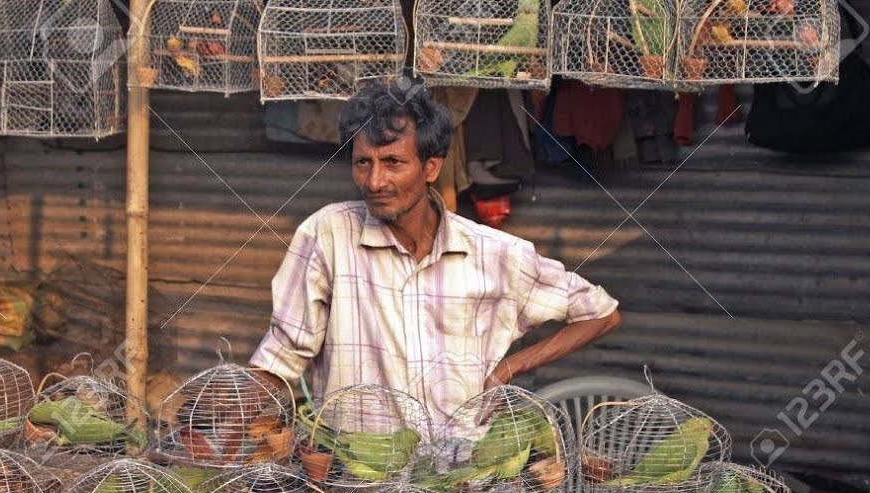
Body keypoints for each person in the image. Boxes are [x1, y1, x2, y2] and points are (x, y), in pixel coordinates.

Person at [250, 79, 622, 422]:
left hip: (458, 474)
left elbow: (602, 314)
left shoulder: (495, 253)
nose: (375, 181)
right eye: (363, 162)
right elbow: (282, 353)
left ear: (431, 167)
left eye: (393, 162)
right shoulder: (327, 234)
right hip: (357, 472)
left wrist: (508, 369)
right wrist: (227, 418)